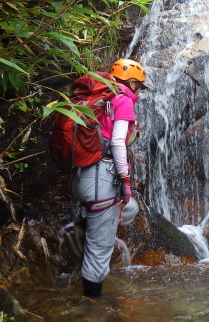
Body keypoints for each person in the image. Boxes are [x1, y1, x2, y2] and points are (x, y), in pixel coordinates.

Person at [69, 58, 147, 297]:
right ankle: (91, 306)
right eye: (140, 86)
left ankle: (82, 225)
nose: (140, 91)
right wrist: (125, 179)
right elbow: (116, 142)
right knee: (99, 251)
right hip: (101, 180)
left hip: (79, 179)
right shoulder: (123, 100)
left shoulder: (101, 98)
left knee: (130, 208)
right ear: (132, 83)